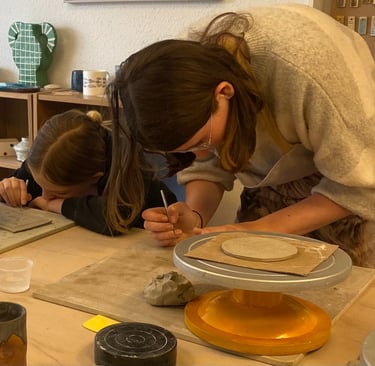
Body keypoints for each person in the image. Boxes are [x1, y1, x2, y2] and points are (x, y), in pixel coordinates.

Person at [106, 4, 375, 267]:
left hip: (354, 173)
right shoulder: (186, 72)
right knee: (247, 274)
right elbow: (206, 160)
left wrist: (261, 228)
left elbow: (358, 185)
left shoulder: (307, 68)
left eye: (202, 142)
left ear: (225, 92)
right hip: (273, 180)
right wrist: (195, 216)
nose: (200, 154)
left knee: (345, 293)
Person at [0, 109, 177, 235]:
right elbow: (16, 187)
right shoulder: (45, 162)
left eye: (60, 193)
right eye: (41, 186)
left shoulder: (127, 167)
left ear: (94, 178)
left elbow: (114, 219)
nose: (45, 195)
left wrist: (51, 205)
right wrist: (7, 189)